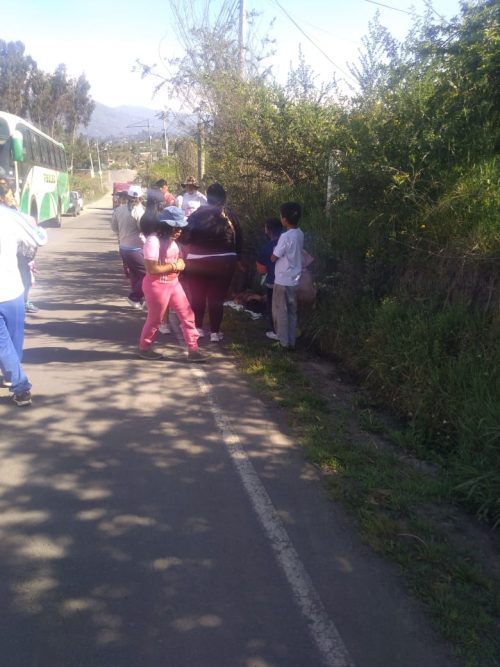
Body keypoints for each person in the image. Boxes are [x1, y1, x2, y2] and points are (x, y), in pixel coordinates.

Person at [138, 206, 209, 363]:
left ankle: (193, 350)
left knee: (188, 315)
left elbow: (178, 259)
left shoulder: (172, 241)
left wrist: (180, 263)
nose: (179, 231)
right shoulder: (153, 241)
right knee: (155, 320)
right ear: (165, 225)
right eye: (175, 227)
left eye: (180, 227)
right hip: (156, 285)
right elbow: (152, 269)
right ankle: (144, 348)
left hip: (173, 284)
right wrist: (175, 266)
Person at [183, 183, 243, 342]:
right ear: (224, 198)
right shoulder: (230, 215)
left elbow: (185, 237)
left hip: (197, 262)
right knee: (217, 298)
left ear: (207, 197)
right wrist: (239, 258)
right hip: (224, 262)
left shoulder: (196, 214)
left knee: (197, 296)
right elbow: (240, 238)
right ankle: (215, 333)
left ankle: (198, 329)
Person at [0, 205, 40, 406]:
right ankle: (17, 382)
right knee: (10, 341)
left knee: (6, 344)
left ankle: (17, 381)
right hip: (13, 290)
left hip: (11, 290)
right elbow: (38, 239)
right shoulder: (12, 216)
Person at [271, 202, 304, 350]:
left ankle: (283, 343)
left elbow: (274, 257)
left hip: (282, 279)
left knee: (280, 311)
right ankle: (291, 341)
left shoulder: (285, 236)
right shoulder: (300, 233)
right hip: (295, 280)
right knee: (292, 312)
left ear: (284, 219)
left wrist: (273, 254)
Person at [110, 185, 146, 309]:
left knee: (135, 274)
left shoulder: (119, 210)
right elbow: (143, 228)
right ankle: (134, 296)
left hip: (123, 247)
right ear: (141, 197)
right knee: (148, 274)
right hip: (136, 248)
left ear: (128, 197)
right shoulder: (140, 211)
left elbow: (114, 228)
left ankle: (138, 301)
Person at [255, 217, 283, 341]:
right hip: (291, 281)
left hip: (273, 282)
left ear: (268, 230)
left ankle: (276, 332)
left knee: (273, 308)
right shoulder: (289, 242)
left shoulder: (266, 248)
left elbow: (261, 270)